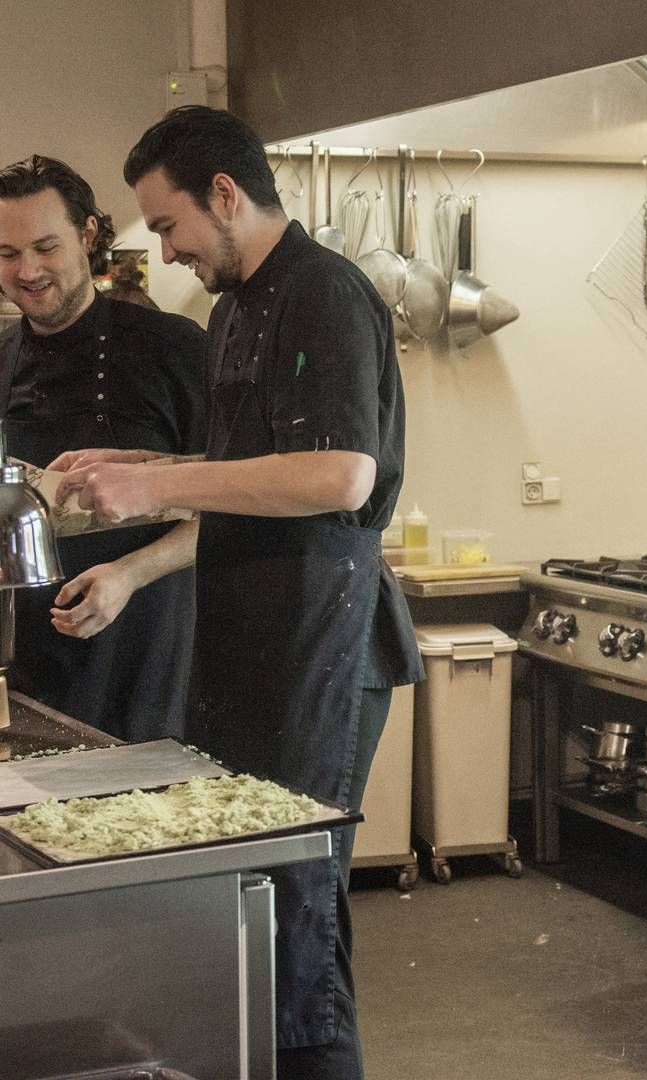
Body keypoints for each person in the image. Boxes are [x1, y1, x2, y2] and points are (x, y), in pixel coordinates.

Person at [54, 107, 422, 1078]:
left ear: (224, 195)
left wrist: (160, 484)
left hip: (324, 646)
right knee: (247, 911)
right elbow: (248, 480)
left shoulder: (324, 293)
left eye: (168, 226)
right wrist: (141, 507)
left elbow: (339, 477)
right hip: (249, 653)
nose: (167, 253)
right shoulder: (235, 309)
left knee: (294, 920)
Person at [0, 155, 205, 741]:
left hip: (143, 655)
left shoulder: (173, 348)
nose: (27, 271)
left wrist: (129, 573)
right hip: (24, 666)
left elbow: (233, 501)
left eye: (45, 247)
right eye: (7, 254)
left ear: (88, 234)